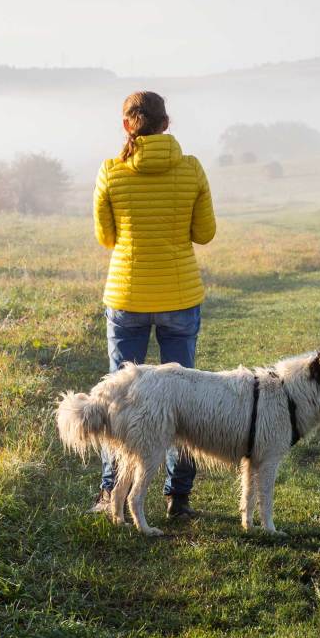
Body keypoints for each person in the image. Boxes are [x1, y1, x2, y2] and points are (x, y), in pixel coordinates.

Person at [91, 90, 217, 520]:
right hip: (179, 298)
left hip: (126, 298)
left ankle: (112, 493)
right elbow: (205, 233)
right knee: (185, 401)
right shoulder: (191, 169)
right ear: (167, 123)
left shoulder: (111, 172)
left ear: (128, 125)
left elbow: (106, 238)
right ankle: (178, 498)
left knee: (118, 398)